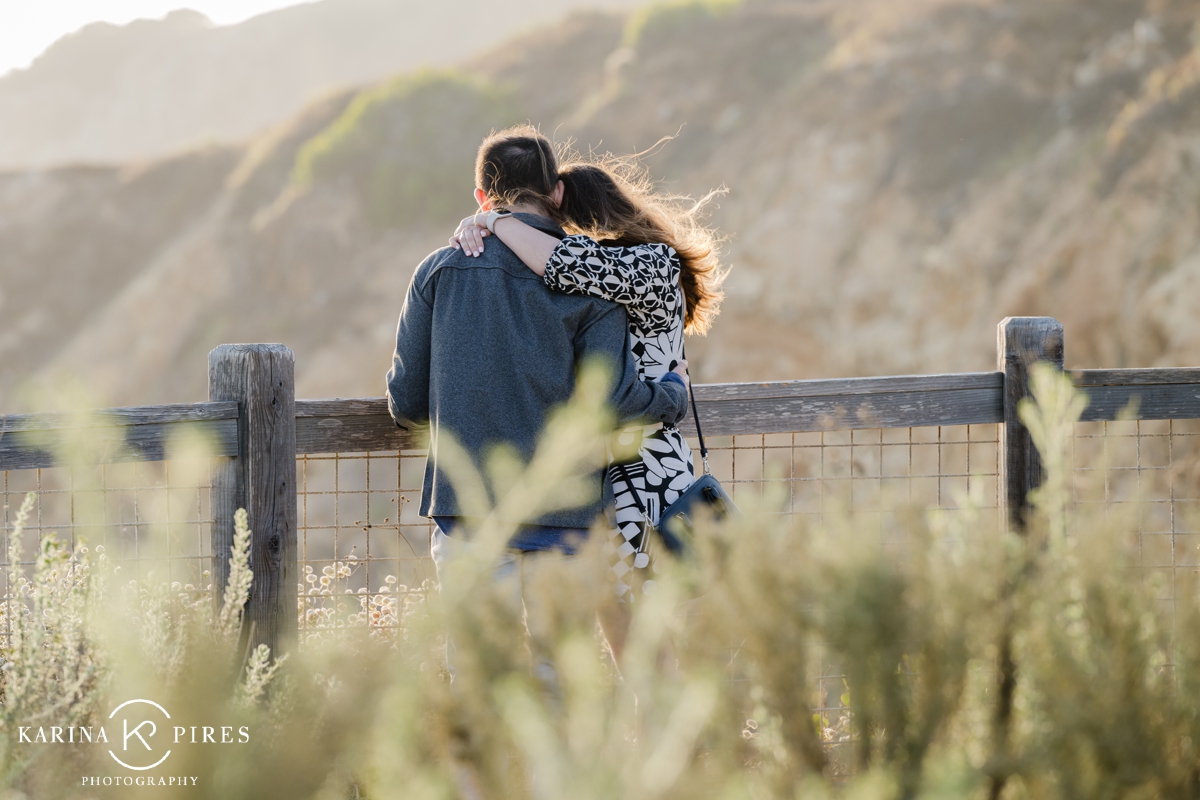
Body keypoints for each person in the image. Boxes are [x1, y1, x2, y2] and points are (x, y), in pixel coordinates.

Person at [385, 126, 691, 665]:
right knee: (559, 684)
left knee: (480, 681)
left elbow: (406, 402)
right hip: (567, 515)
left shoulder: (438, 271)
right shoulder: (591, 282)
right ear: (556, 193)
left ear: (481, 197)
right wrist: (670, 396)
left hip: (467, 509)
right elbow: (613, 400)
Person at [450, 135, 726, 612]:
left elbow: (560, 263)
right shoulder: (622, 269)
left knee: (648, 626)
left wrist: (491, 219)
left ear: (564, 202)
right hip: (607, 475)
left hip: (643, 475)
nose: (561, 233)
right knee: (625, 628)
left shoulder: (647, 265)